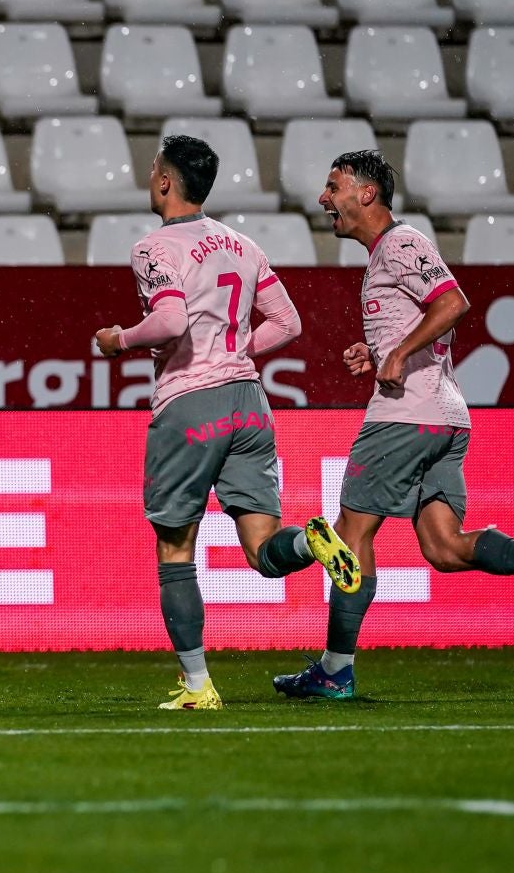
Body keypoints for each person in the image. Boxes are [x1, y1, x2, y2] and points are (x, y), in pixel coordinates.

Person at [273, 150, 514, 701]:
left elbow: (452, 303)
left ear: (366, 194)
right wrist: (376, 351)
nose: (323, 199)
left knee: (350, 539)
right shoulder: (385, 256)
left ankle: (334, 670)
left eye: (333, 187)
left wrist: (397, 354)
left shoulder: (400, 245)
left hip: (405, 419)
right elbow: (425, 319)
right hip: (446, 419)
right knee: (445, 549)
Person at [94, 134, 361, 712]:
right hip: (249, 401)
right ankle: (312, 545)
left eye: (152, 173)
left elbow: (167, 321)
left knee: (174, 550)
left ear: (165, 182)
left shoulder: (153, 248)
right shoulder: (242, 244)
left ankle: (198, 688)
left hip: (190, 405)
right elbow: (287, 323)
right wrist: (234, 348)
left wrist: (119, 339)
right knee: (265, 550)